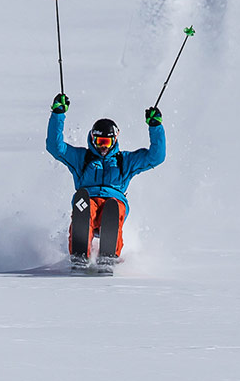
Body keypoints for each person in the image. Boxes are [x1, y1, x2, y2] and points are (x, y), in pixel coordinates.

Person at [45, 93, 165, 270]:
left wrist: (155, 127)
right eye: (99, 141)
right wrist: (58, 114)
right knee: (85, 206)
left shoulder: (124, 161)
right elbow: (55, 147)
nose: (103, 146)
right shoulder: (82, 158)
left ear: (114, 140)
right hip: (88, 200)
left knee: (113, 207)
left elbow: (156, 157)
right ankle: (80, 253)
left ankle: (109, 255)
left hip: (114, 202)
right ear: (92, 138)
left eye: (106, 142)